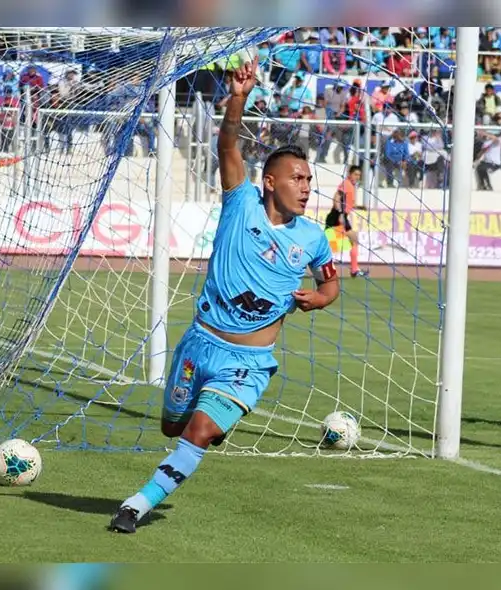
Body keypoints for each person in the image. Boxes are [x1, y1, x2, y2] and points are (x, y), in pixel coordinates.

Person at [108, 55, 340, 533]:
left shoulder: (314, 237)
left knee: (198, 431)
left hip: (248, 364)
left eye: (310, 180)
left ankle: (136, 505)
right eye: (298, 178)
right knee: (172, 426)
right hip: (200, 345)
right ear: (269, 182)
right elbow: (228, 144)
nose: (307, 188)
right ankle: (201, 420)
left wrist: (320, 299)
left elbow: (330, 283)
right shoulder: (241, 205)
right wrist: (238, 98)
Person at [324, 165, 368, 278]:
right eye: (355, 174)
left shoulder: (351, 186)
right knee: (326, 245)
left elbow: (347, 204)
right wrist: (340, 213)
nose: (357, 177)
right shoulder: (346, 184)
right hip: (336, 218)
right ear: (350, 174)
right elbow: (336, 197)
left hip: (341, 217)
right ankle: (354, 270)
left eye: (359, 175)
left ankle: (354, 270)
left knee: (352, 240)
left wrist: (358, 207)